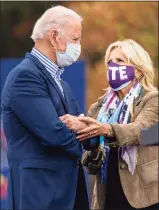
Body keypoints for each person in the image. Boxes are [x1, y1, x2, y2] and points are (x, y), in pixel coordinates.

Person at [1, 5, 98, 210]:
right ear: (54, 37)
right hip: (40, 195)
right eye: (75, 39)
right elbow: (54, 133)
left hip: (67, 193)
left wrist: (84, 129)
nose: (78, 46)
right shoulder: (25, 77)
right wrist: (83, 130)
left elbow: (89, 134)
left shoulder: (62, 84)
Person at [60, 39, 159, 209]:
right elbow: (90, 166)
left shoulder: (151, 99)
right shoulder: (98, 109)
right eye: (109, 62)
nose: (113, 66)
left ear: (138, 70)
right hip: (108, 195)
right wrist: (91, 142)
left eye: (120, 61)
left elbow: (143, 131)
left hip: (144, 196)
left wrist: (106, 130)